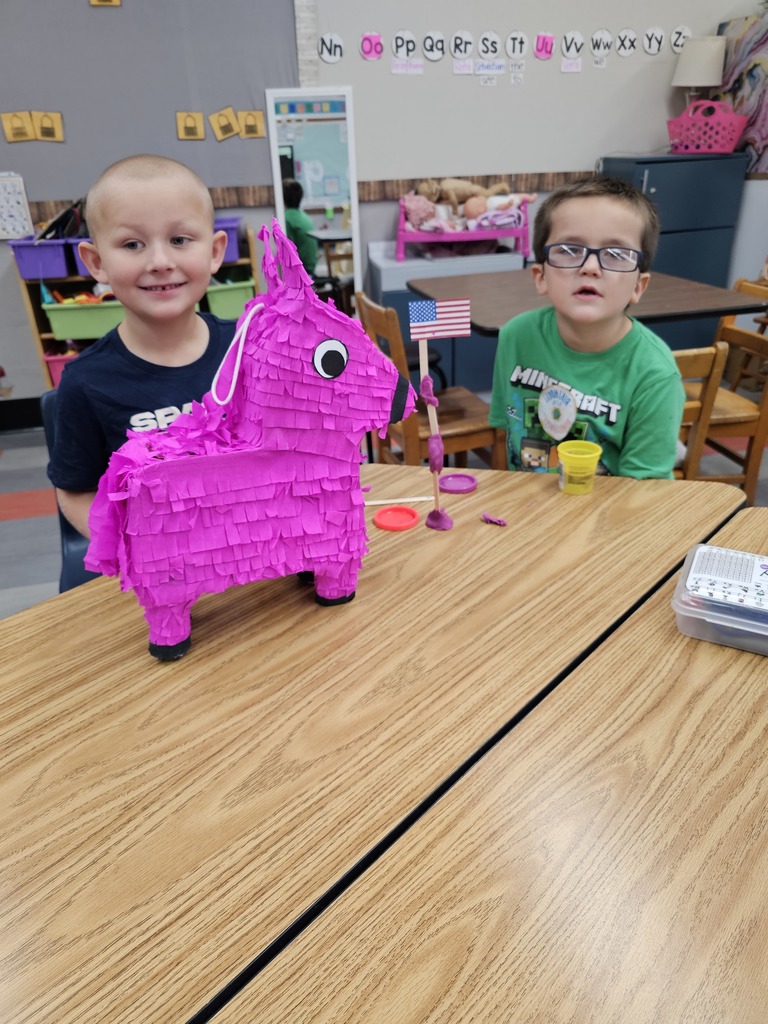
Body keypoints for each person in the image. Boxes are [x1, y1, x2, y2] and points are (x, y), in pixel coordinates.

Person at [47, 154, 236, 538]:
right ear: (97, 262)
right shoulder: (85, 383)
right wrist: (133, 552)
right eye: (132, 244)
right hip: (166, 576)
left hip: (260, 560)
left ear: (215, 252)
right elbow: (76, 491)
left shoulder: (250, 347)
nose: (160, 261)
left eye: (180, 240)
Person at [489, 176, 685, 479]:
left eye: (617, 255)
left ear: (638, 285)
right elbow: (506, 435)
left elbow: (643, 495)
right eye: (569, 250)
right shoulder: (515, 336)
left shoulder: (655, 374)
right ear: (541, 276)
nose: (590, 267)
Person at [282, 178, 319, 276]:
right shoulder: (304, 216)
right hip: (311, 267)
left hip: (303, 270)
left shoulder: (285, 218)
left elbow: (288, 251)